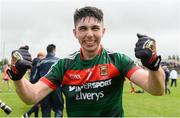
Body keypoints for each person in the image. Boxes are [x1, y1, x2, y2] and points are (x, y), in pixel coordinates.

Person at [7, 6, 165, 117]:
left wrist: (152, 65)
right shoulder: (64, 65)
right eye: (83, 28)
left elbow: (156, 90)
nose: (89, 34)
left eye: (95, 28)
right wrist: (17, 76)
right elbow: (32, 96)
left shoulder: (117, 60)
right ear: (75, 33)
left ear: (103, 31)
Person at [22, 51, 45, 118]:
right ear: (40, 56)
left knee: (37, 101)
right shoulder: (39, 63)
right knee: (41, 102)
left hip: (32, 83)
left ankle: (36, 116)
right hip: (38, 84)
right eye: (43, 56)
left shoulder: (33, 63)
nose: (44, 58)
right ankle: (27, 114)